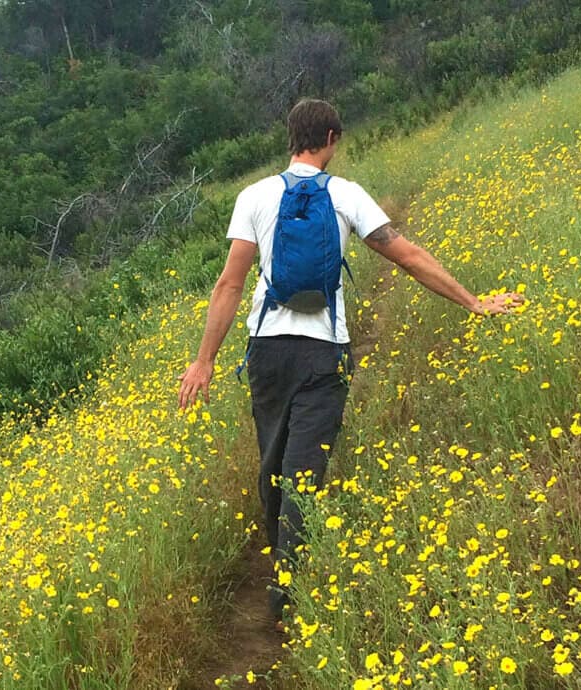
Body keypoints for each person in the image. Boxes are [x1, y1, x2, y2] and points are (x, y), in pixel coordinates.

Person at [177, 98, 523, 628]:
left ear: (291, 139)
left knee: (272, 462)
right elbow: (407, 256)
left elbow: (230, 283)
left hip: (267, 348)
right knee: (305, 469)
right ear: (332, 138)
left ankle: (282, 561)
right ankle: (290, 581)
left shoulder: (255, 196)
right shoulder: (346, 196)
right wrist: (474, 302)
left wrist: (203, 362)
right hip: (324, 352)